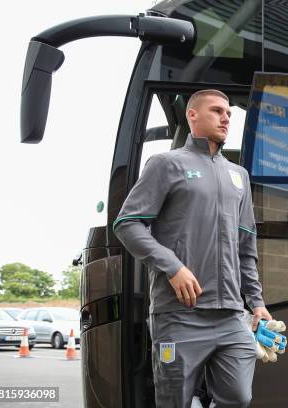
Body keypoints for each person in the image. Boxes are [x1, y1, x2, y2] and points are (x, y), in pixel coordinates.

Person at [113, 89, 272, 408]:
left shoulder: (238, 176)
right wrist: (172, 267)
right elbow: (127, 223)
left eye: (228, 112)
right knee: (175, 402)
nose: (226, 117)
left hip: (231, 315)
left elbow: (246, 246)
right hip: (179, 315)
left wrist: (257, 303)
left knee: (238, 397)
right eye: (216, 110)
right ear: (193, 115)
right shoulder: (166, 164)